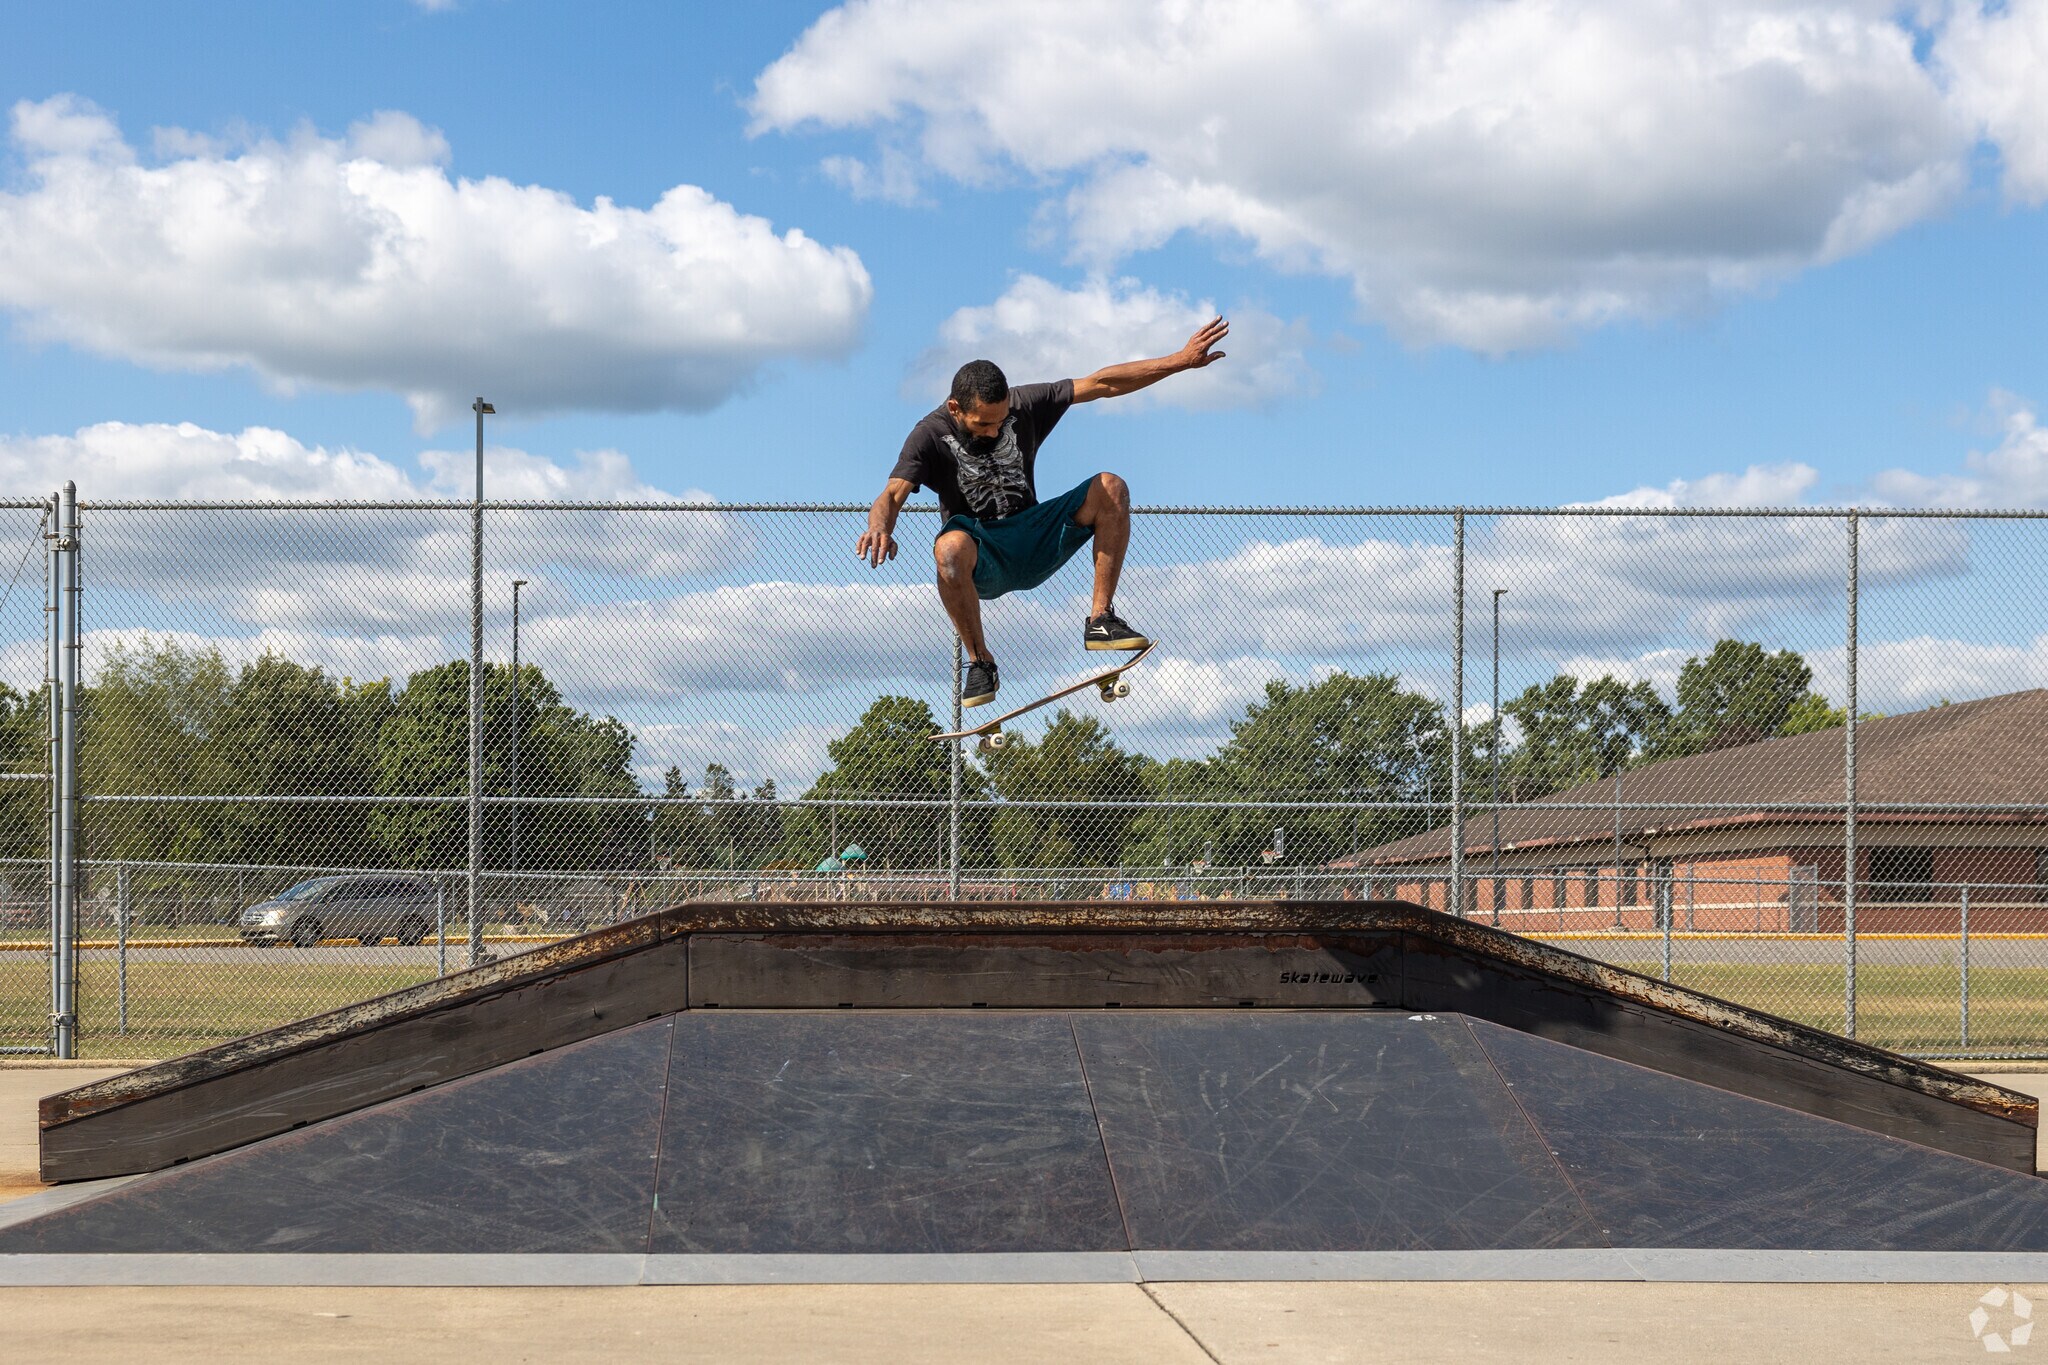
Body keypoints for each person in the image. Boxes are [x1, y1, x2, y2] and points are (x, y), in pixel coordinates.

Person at [856, 317, 1230, 707]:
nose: (993, 431)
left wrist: (1180, 361)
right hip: (984, 555)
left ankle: (1100, 620)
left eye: (1000, 422)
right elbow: (892, 494)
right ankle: (980, 662)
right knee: (949, 547)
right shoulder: (929, 435)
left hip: (1034, 535)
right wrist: (880, 526)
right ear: (955, 408)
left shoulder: (1025, 404)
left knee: (1110, 486)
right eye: (983, 423)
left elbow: (1102, 384)